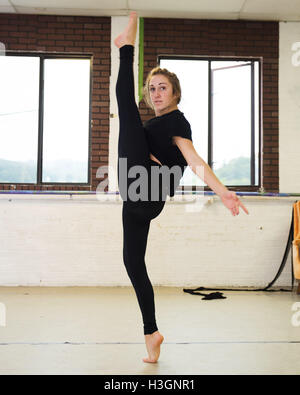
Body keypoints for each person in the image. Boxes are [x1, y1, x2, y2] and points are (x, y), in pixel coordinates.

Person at [114, 12, 249, 364]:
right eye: (153, 88)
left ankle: (125, 48)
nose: (156, 93)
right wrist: (159, 163)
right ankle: (151, 333)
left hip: (144, 189)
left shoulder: (177, 121)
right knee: (132, 263)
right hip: (137, 198)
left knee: (125, 112)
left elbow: (195, 161)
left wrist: (223, 192)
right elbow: (174, 161)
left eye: (163, 87)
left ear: (175, 93)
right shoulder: (156, 123)